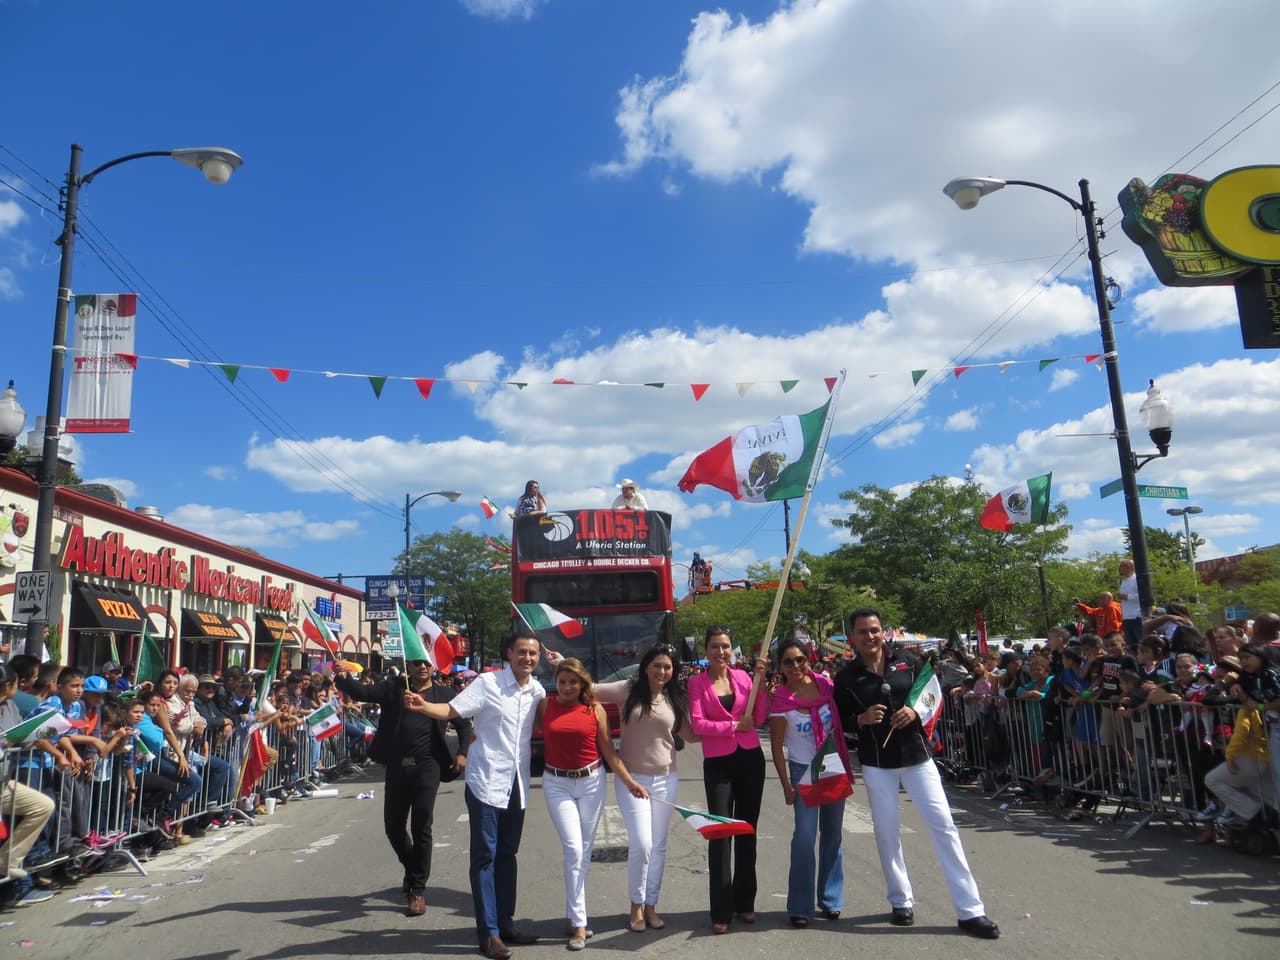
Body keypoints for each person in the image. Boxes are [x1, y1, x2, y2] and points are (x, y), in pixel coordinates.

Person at [833, 608, 999, 940]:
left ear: (883, 632)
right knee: (886, 833)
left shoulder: (909, 661)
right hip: (877, 763)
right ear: (853, 637)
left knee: (944, 826)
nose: (870, 636)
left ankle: (970, 911)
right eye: (863, 631)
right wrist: (861, 719)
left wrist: (914, 711)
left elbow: (931, 693)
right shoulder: (847, 677)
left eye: (875, 630)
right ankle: (901, 901)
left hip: (917, 758)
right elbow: (840, 719)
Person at [406, 631, 545, 960]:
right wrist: (423, 705)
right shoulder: (488, 684)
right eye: (522, 652)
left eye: (533, 654)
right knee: (484, 858)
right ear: (509, 653)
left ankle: (506, 923)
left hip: (517, 785)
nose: (528, 658)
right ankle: (489, 934)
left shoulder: (537, 690)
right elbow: (452, 711)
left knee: (508, 855)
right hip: (485, 782)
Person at [335, 657, 471, 917]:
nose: (422, 667)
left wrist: (462, 753)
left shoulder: (443, 694)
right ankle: (413, 869)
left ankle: (417, 889)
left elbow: (463, 725)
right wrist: (343, 677)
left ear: (434, 668)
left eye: (427, 664)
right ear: (409, 667)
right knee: (393, 827)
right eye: (417, 663)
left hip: (428, 766)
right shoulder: (393, 687)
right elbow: (361, 692)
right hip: (397, 766)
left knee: (422, 825)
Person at [536, 657, 646, 950]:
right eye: (562, 681)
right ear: (555, 682)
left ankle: (574, 913)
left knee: (582, 852)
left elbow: (608, 751)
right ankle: (580, 924)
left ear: (582, 683)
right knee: (573, 848)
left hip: (591, 782)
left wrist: (630, 782)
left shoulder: (594, 709)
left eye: (573, 681)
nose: (568, 687)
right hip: (556, 782)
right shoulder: (546, 706)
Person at [592, 643, 690, 934]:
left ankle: (651, 906)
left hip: (666, 779)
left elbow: (694, 734)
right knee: (643, 844)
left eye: (668, 667)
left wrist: (734, 723)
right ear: (646, 666)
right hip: (632, 779)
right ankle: (635, 905)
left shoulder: (675, 698)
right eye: (657, 665)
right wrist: (562, 662)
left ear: (674, 672)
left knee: (658, 846)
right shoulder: (627, 689)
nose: (662, 671)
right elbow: (590, 688)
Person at [688, 626, 768, 934]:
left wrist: (760, 687)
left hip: (750, 759)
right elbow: (698, 724)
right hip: (718, 763)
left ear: (731, 649)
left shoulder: (745, 678)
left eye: (725, 646)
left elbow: (757, 718)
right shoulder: (697, 683)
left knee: (748, 830)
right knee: (721, 834)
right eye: (715, 647)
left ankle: (745, 902)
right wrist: (735, 725)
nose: (721, 652)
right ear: (705, 651)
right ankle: (720, 910)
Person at [767, 639, 852, 928]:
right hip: (802, 770)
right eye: (788, 661)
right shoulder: (780, 698)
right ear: (780, 666)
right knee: (804, 838)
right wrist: (786, 786)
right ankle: (800, 905)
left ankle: (830, 899)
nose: (795, 666)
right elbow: (777, 747)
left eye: (800, 659)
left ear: (808, 659)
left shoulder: (826, 687)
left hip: (830, 764)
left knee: (832, 835)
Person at [1116, 559, 1143, 651]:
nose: (1120, 568)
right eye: (1121, 566)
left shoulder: (1137, 579)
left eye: (1123, 566)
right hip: (1127, 617)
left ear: (1131, 568)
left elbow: (1143, 596)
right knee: (1130, 645)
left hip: (1136, 616)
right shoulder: (1123, 582)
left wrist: (1127, 597)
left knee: (1139, 643)